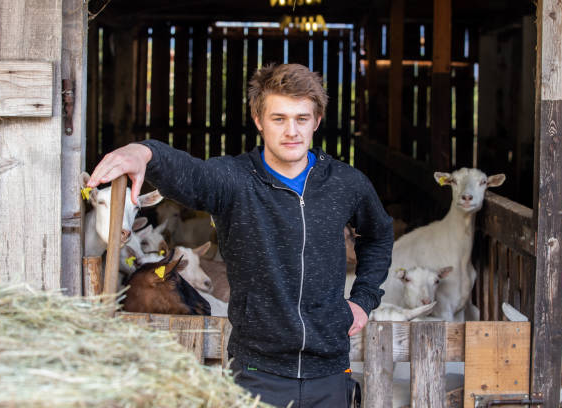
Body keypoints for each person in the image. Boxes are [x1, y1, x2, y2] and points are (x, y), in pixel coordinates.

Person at [88, 63, 393, 407]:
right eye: (279, 119)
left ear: (317, 121)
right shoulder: (233, 180)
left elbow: (379, 235)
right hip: (257, 372)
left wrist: (364, 299)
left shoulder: (345, 183)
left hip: (330, 373)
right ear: (259, 120)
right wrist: (144, 152)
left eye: (301, 119)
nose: (291, 131)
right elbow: (192, 175)